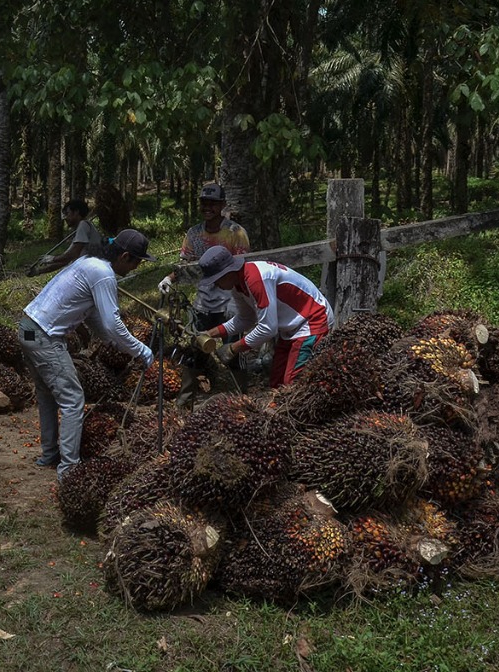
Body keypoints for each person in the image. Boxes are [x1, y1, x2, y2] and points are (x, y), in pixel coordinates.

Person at [18, 229, 156, 479]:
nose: (136, 267)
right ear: (125, 256)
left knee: (47, 393)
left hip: (27, 329)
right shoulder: (103, 274)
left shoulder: (88, 262)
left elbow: (93, 316)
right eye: (136, 261)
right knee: (72, 400)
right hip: (43, 337)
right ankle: (69, 469)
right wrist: (140, 349)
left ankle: (49, 454)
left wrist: (112, 342)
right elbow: (114, 323)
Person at [196, 245, 336, 388]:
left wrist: (233, 349)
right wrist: (210, 334)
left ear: (227, 273)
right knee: (277, 382)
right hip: (291, 328)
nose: (216, 284)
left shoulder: (257, 280)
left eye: (216, 279)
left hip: (312, 320)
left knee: (293, 384)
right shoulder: (238, 285)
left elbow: (268, 328)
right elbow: (245, 319)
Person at [157, 182, 250, 331]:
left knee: (230, 349)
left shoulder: (235, 233)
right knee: (199, 345)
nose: (207, 208)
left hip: (230, 302)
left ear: (222, 205)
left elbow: (242, 269)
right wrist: (169, 279)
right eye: (204, 203)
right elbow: (185, 266)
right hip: (203, 302)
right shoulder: (194, 234)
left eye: (212, 204)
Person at [28, 199, 102, 276]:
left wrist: (52, 259)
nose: (65, 218)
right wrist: (39, 271)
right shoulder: (80, 230)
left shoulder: (83, 225)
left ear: (76, 212)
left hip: (92, 272)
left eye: (67, 214)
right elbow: (65, 260)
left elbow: (73, 254)